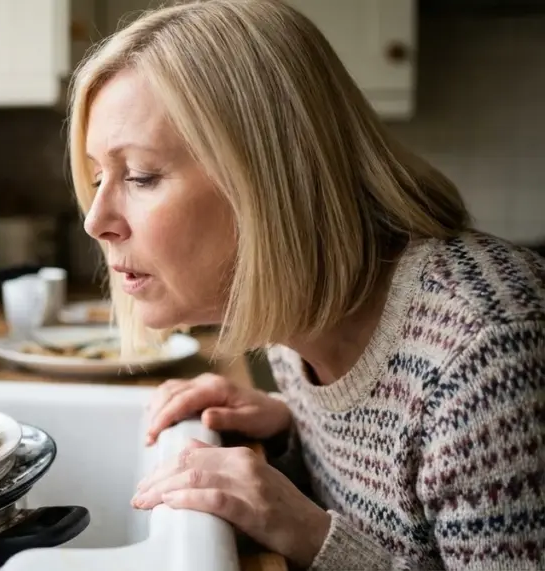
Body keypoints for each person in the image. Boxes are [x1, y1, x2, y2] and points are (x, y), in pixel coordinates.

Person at [66, 1, 545, 569]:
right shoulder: (294, 313)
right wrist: (290, 428)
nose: (95, 221)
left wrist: (313, 536)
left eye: (141, 176)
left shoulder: (487, 356)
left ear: (267, 180)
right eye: (98, 177)